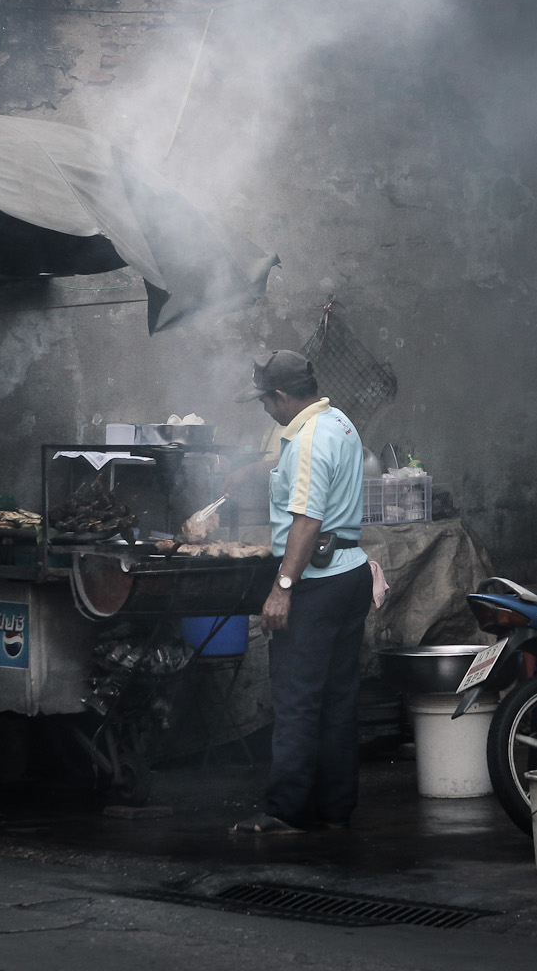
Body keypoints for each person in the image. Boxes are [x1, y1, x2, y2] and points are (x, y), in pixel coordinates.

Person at [230, 349, 372, 834]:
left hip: (317, 582)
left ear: (283, 395)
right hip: (350, 573)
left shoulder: (309, 438)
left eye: (266, 402)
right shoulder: (339, 421)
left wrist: (282, 588)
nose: (266, 411)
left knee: (296, 698)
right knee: (336, 699)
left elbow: (308, 520)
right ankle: (334, 810)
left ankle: (286, 811)